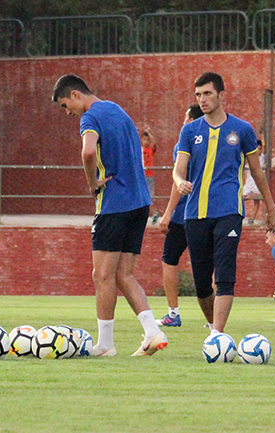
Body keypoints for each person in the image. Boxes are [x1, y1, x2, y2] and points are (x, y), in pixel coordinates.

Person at [52, 73, 168, 356]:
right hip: (140, 202)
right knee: (123, 274)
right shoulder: (118, 110)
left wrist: (92, 183)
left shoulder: (90, 117)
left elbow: (88, 152)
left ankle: (105, 345)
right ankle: (153, 331)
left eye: (65, 105)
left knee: (102, 275)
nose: (67, 112)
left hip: (115, 202)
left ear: (76, 95)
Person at [172, 72, 275, 335]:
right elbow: (178, 169)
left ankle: (217, 336)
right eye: (198, 95)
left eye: (207, 93)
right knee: (201, 285)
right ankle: (213, 327)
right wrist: (179, 181)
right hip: (195, 213)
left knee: (224, 276)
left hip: (229, 212)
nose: (202, 99)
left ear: (221, 95)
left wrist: (271, 209)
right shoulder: (189, 131)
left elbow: (257, 173)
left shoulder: (242, 129)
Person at [156, 104, 203, 327]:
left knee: (169, 260)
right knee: (208, 264)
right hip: (206, 212)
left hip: (184, 213)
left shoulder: (184, 143)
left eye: (186, 119)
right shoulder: (213, 141)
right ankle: (213, 319)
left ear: (191, 121)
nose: (183, 123)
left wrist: (167, 213)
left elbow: (179, 181)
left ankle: (173, 314)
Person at [241, 141, 267, 225]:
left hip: (257, 183)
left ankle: (252, 218)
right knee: (241, 197)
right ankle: (239, 215)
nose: (259, 151)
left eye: (260, 149)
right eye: (257, 149)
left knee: (257, 200)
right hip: (249, 182)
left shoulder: (263, 158)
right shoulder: (251, 157)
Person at [140, 127, 156, 218]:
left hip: (149, 175)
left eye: (147, 140)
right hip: (142, 176)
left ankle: (153, 213)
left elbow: (154, 142)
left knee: (150, 196)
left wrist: (148, 133)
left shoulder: (150, 150)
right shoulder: (139, 150)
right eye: (144, 140)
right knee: (142, 196)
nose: (145, 142)